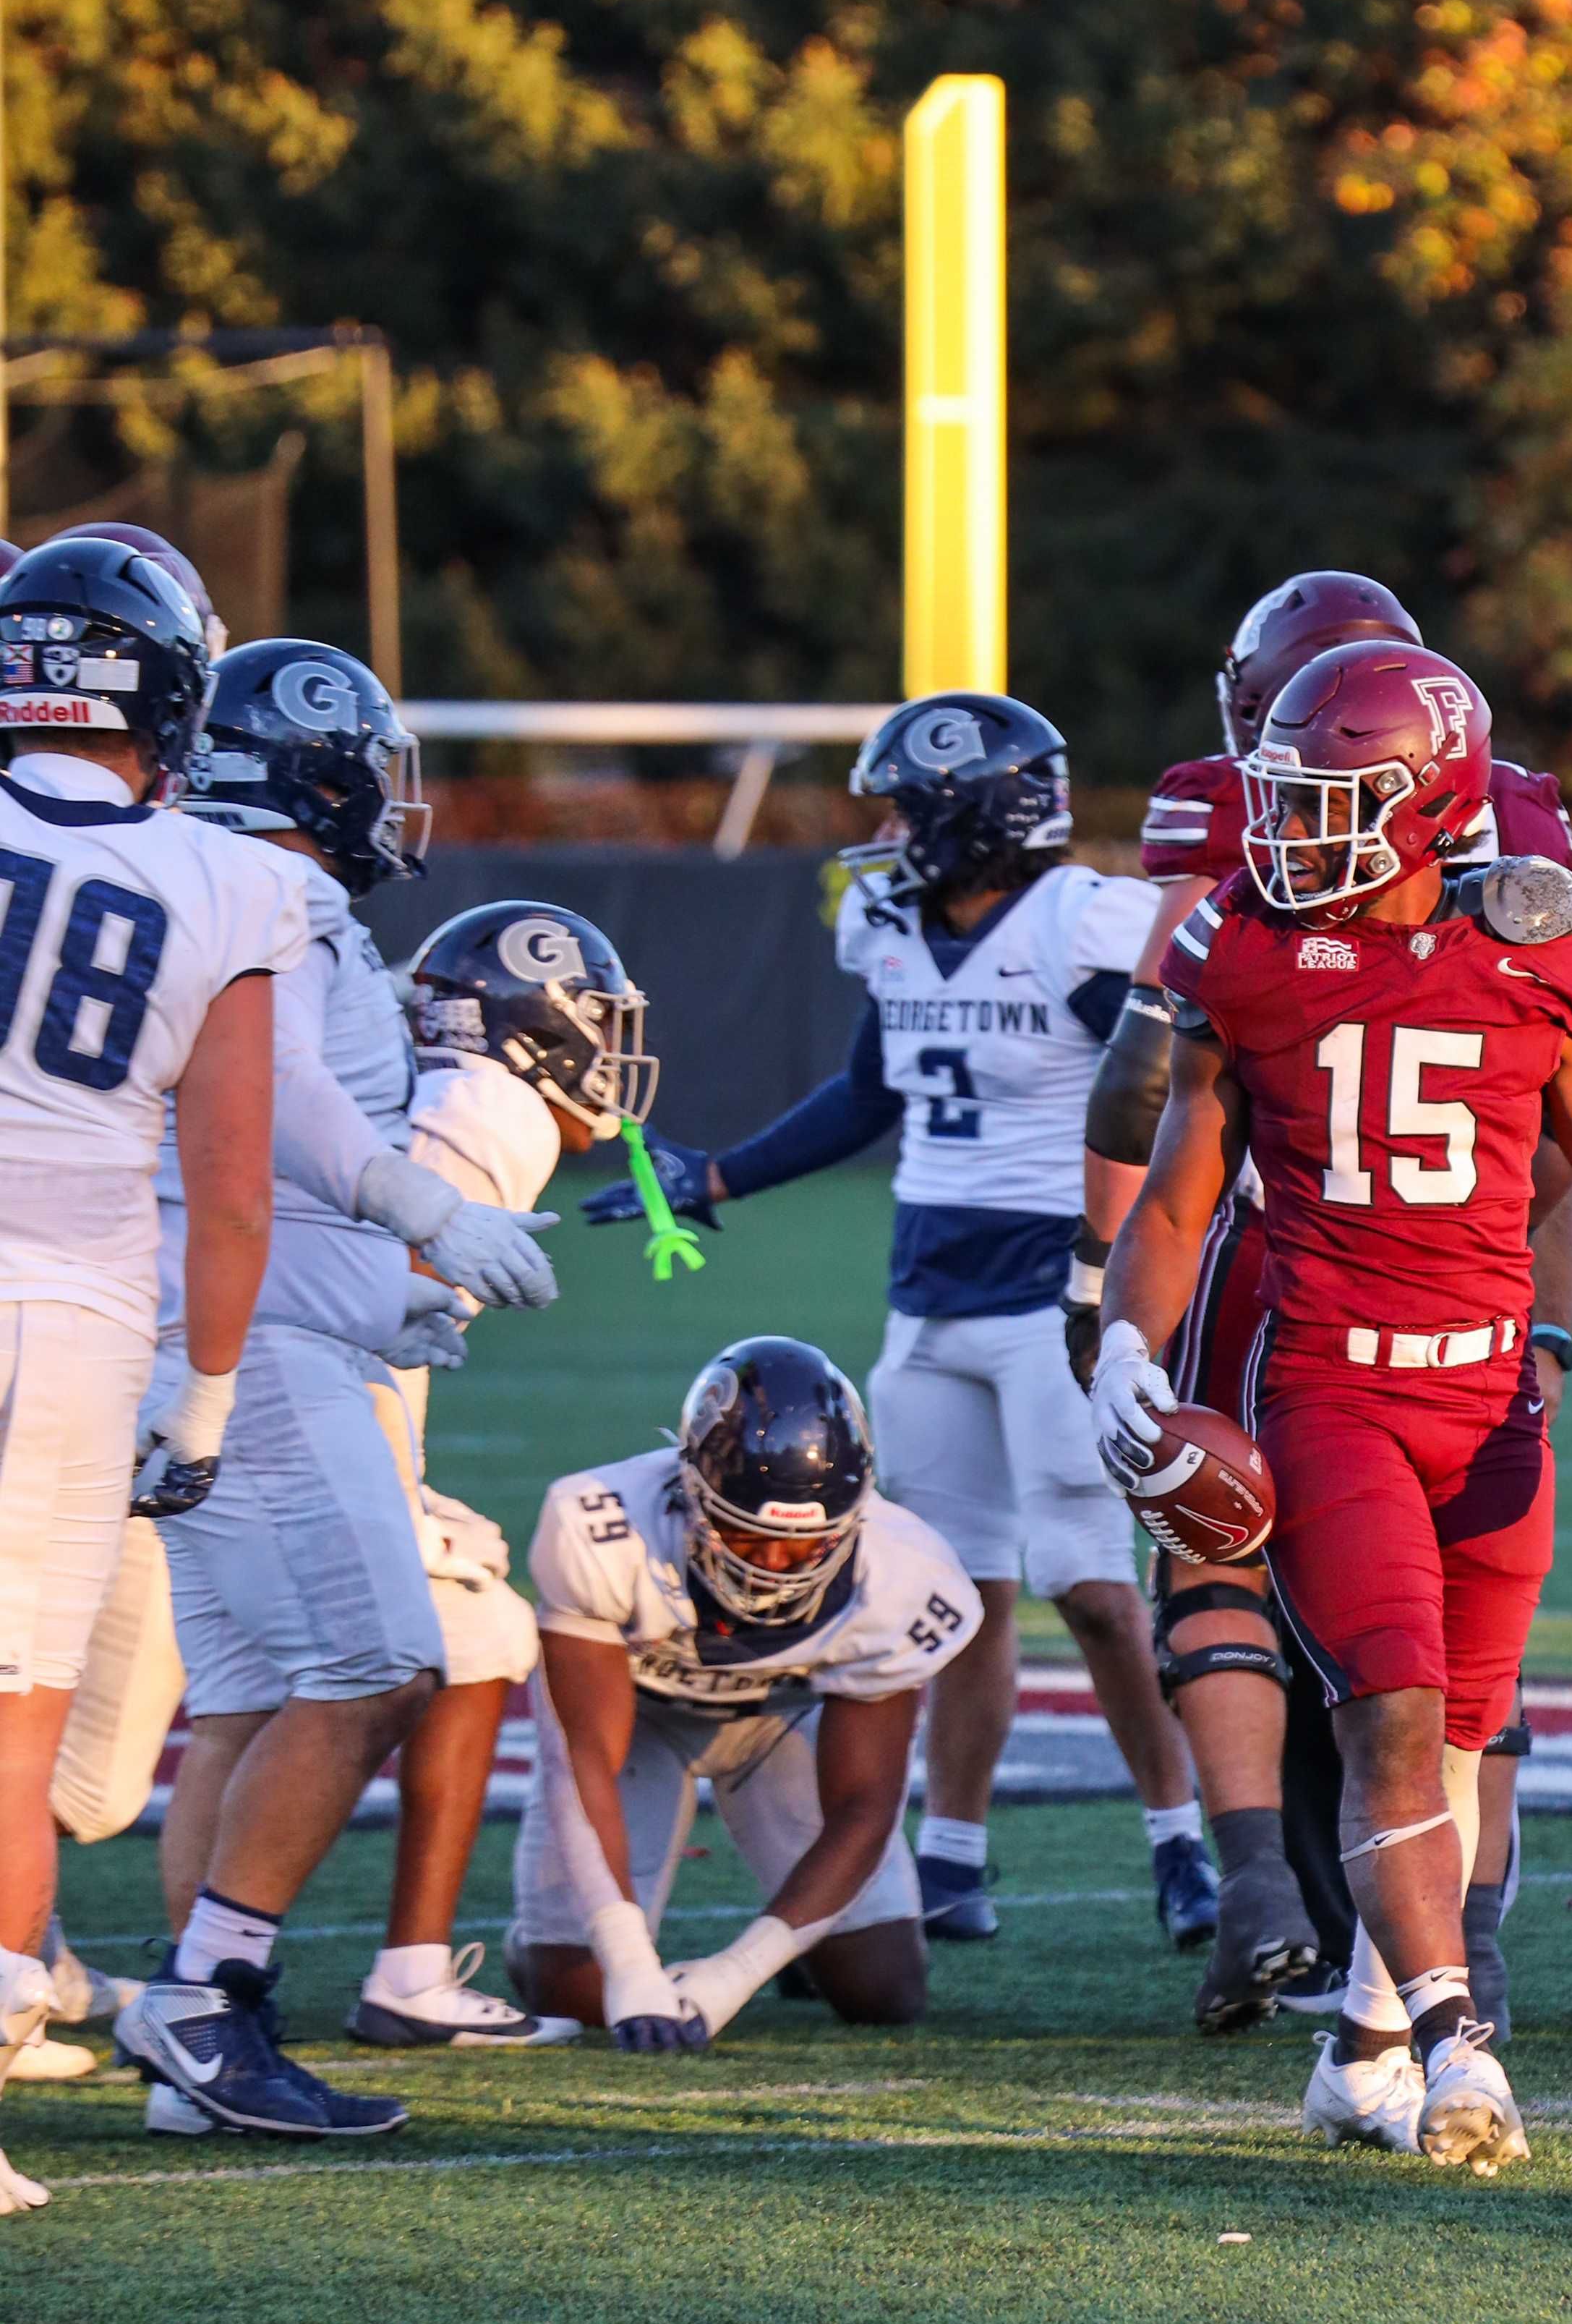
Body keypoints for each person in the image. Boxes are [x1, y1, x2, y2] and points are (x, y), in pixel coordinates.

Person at [1095, 639, 1572, 2172]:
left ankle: (1361, 2042)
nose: (1289, 834)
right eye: (1282, 801)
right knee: (1392, 1713)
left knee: (1460, 1738)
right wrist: (1122, 1341)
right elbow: (1173, 1200)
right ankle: (1453, 2045)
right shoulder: (1240, 949)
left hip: (1493, 1403)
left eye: (1329, 802)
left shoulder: (1533, 944)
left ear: (1431, 805)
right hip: (1332, 1392)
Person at [586, 694, 1215, 1954]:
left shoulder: (1077, 925)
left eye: (907, 807)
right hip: (928, 1294)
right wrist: (719, 1180)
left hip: (1057, 1293)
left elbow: (1175, 1081)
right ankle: (954, 1855)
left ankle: (1185, 1838)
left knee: (1091, 1588)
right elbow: (872, 1089)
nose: (884, 831)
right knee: (946, 1593)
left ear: (979, 816)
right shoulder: (888, 919)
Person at [113, 647, 560, 2145]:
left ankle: (202, 2040)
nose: (388, 789)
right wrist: (419, 1222)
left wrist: (389, 1291)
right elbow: (274, 1119)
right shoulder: (272, 898)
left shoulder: (194, 880)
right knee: (377, 1664)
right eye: (368, 759)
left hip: (202, 1327)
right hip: (246, 1348)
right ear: (315, 772)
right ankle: (204, 1997)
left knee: (242, 1701)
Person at [0, 536, 296, 2212]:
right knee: (13, 1722)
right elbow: (235, 1178)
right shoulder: (226, 878)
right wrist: (202, 1391)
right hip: (69, 1317)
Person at [347, 898, 663, 2043]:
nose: (613, 1054)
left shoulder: (438, 1087)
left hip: (228, 1394)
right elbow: (375, 1295)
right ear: (537, 1027)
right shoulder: (492, 1110)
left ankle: (195, 1981)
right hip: (275, 1415)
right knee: (473, 1629)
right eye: (596, 1022)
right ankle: (381, 1976)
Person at [511, 1339, 975, 2041]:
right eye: (751, 1538)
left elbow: (864, 1808)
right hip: (639, 1723)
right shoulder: (602, 1525)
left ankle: (797, 1946)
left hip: (779, 1724)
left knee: (884, 1991)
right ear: (692, 1488)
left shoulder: (907, 1575)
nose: (778, 1569)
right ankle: (537, 1940)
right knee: (580, 1992)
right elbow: (585, 1765)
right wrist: (633, 1967)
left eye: (803, 1548)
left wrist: (736, 1973)